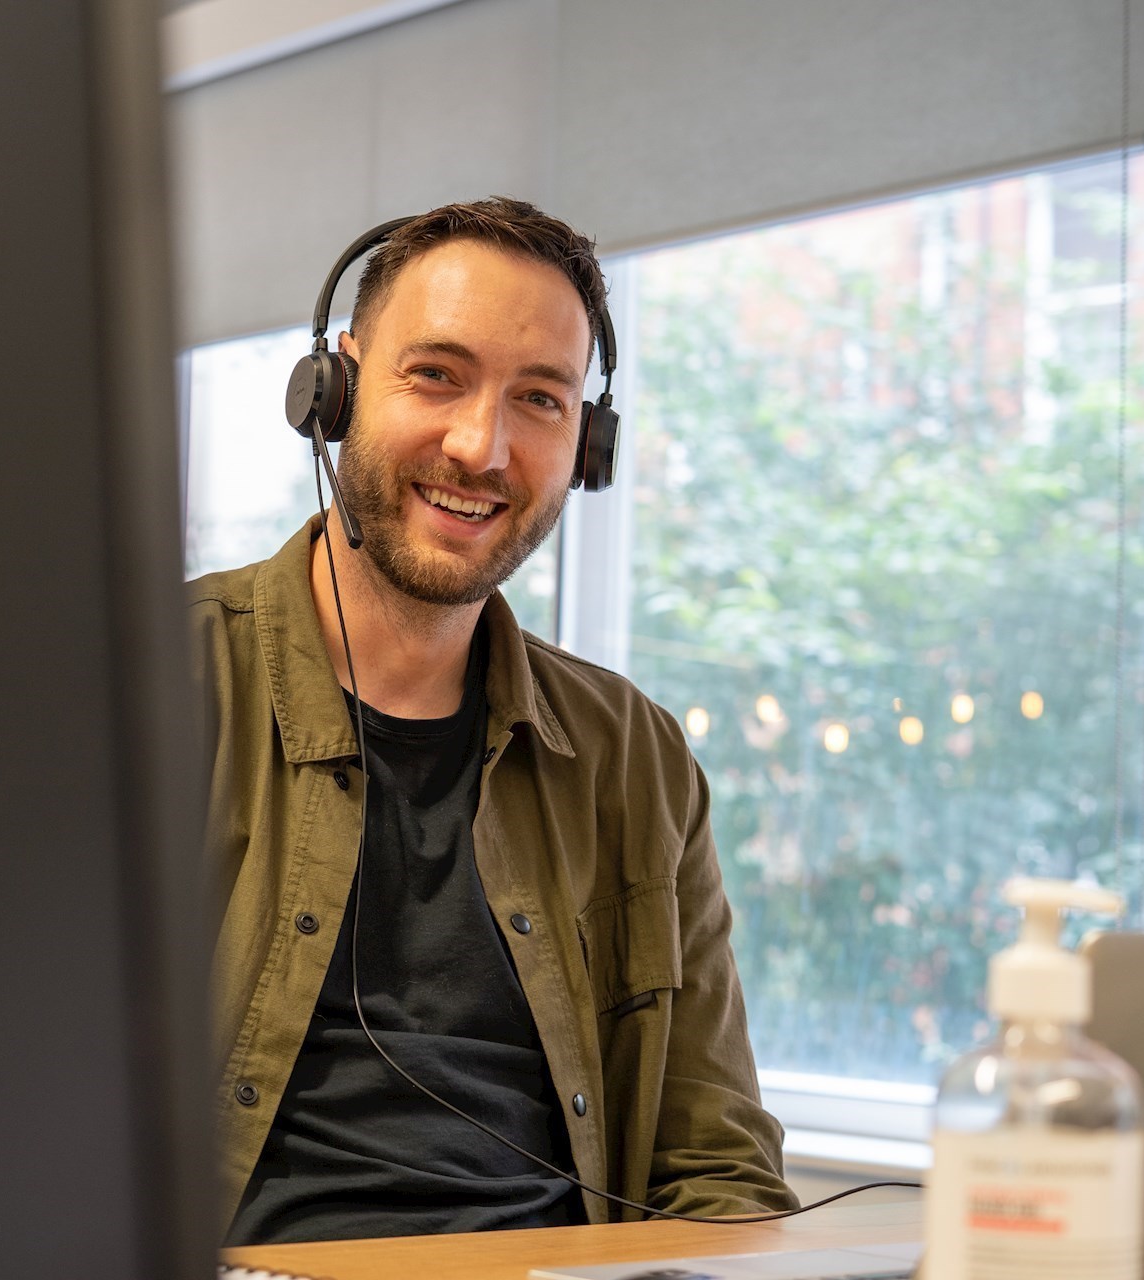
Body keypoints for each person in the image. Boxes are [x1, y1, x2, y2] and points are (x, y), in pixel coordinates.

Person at [192, 197, 796, 1246]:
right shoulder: (150, 687)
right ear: (333, 388)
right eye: (436, 375)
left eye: (540, 400)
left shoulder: (631, 756)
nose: (482, 446)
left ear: (586, 443)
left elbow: (716, 1164)